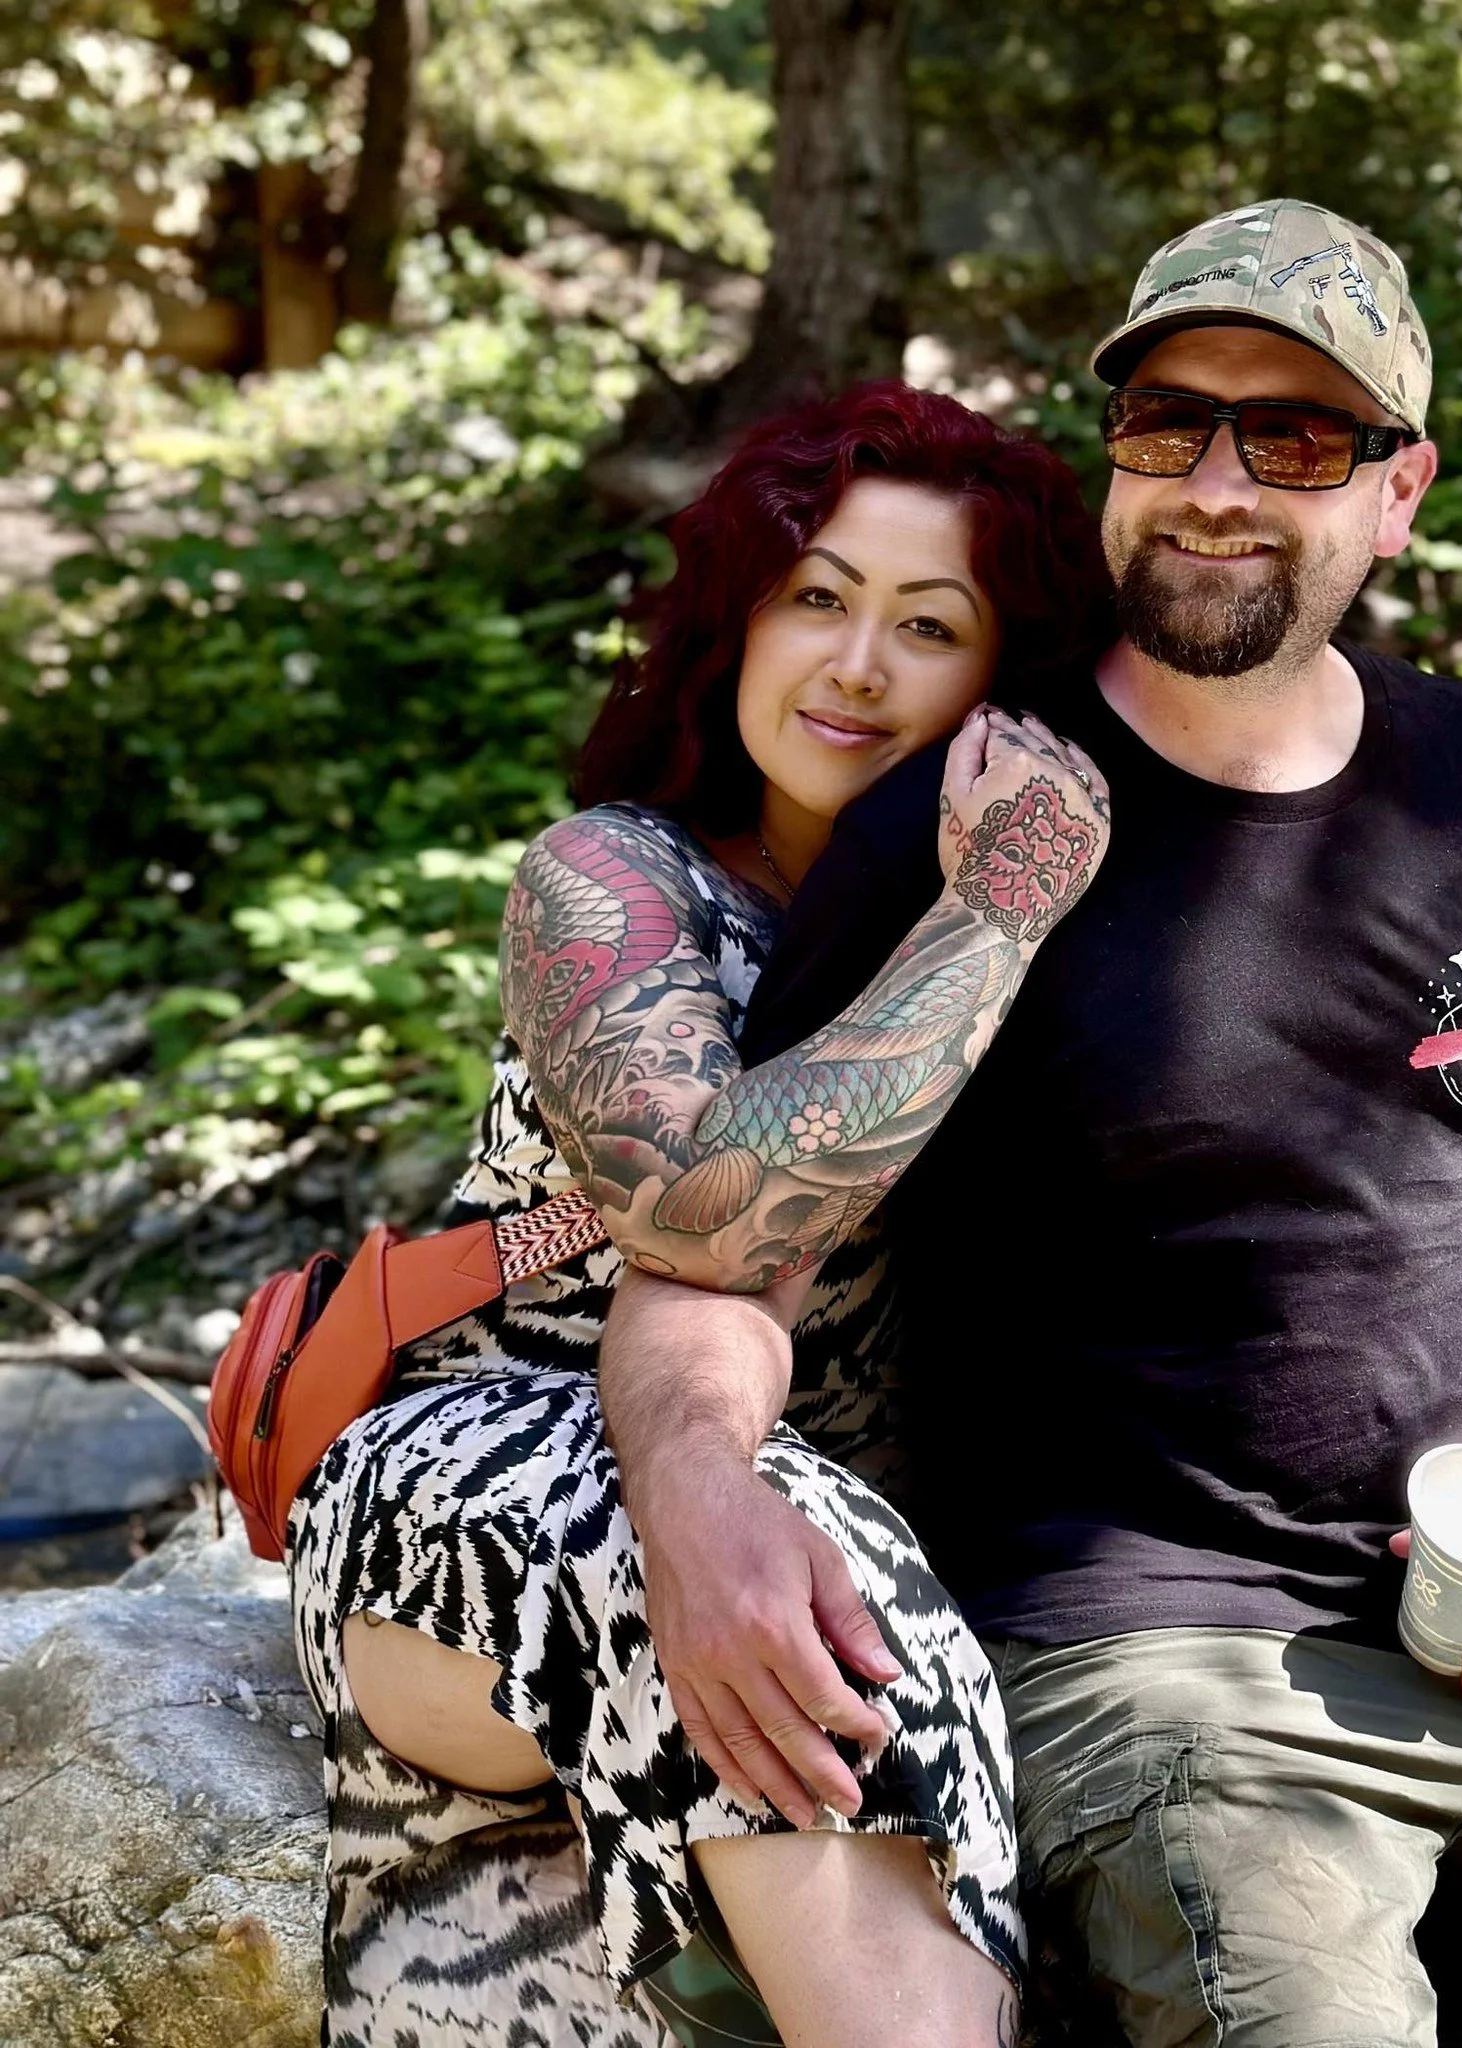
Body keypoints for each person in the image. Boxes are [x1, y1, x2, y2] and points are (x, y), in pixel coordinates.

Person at [597, 200, 1462, 2045]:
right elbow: (716, 1259)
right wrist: (694, 1496)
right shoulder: (965, 823)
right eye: (1169, 422)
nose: (1214, 485)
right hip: (1159, 1654)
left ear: (1397, 493)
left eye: (1296, 440)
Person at [286, 381, 1114, 2047]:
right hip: (466, 1492)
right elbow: (707, 1217)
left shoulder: (1036, 945)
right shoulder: (610, 881)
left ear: (998, 694)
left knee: (828, 1580)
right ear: (736, 624)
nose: (858, 666)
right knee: (823, 1595)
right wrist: (1004, 906)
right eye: (817, 598)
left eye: (928, 626)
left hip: (791, 1540)